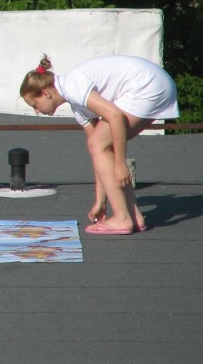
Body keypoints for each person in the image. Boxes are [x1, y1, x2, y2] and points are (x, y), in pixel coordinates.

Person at [19, 55, 180, 235]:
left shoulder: (72, 85)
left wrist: (120, 163)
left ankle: (122, 218)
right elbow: (98, 153)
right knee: (98, 145)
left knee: (99, 143)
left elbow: (115, 117)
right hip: (156, 84)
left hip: (149, 85)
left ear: (46, 93)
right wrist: (100, 200)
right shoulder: (78, 106)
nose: (37, 111)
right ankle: (133, 216)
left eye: (35, 104)